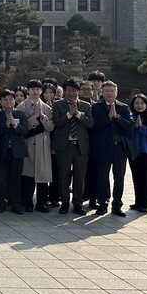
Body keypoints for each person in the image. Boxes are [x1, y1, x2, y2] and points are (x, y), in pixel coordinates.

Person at [90, 81, 135, 216]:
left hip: (119, 148)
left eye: (112, 91)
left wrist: (116, 117)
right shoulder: (96, 107)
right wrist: (108, 118)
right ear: (102, 93)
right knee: (102, 176)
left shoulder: (124, 107)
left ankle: (117, 204)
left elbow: (129, 125)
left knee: (119, 177)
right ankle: (102, 203)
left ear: (116, 92)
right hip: (103, 147)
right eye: (107, 91)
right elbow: (93, 126)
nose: (109, 93)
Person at [52, 79, 94, 215]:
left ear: (78, 91)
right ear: (64, 91)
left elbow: (90, 123)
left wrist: (78, 114)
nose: (71, 93)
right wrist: (70, 114)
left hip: (80, 146)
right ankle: (64, 203)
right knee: (63, 175)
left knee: (79, 176)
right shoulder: (58, 105)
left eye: (74, 91)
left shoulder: (86, 106)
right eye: (68, 91)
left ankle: (77, 203)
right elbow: (57, 123)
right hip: (64, 146)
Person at [18, 80, 54, 213]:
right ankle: (27, 202)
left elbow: (51, 127)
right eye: (32, 89)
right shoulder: (21, 107)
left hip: (43, 144)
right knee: (28, 175)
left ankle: (41, 203)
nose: (35, 92)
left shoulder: (47, 108)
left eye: (37, 89)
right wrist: (34, 117)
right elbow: (24, 126)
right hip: (29, 143)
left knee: (43, 176)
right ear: (28, 90)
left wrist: (42, 116)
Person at [0, 89, 28, 214]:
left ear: (15, 101)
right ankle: (1, 203)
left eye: (10, 99)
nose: (8, 102)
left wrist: (14, 125)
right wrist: (6, 125)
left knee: (16, 179)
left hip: (17, 151)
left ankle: (16, 204)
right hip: (1, 151)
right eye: (5, 99)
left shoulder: (20, 114)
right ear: (1, 101)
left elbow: (25, 131)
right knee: (1, 179)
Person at [128, 93, 147, 213]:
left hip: (146, 152)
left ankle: (146, 203)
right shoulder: (131, 117)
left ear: (146, 104)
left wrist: (141, 128)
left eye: (142, 103)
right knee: (136, 177)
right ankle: (138, 201)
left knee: (146, 178)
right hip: (134, 152)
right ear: (133, 105)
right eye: (137, 103)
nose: (139, 106)